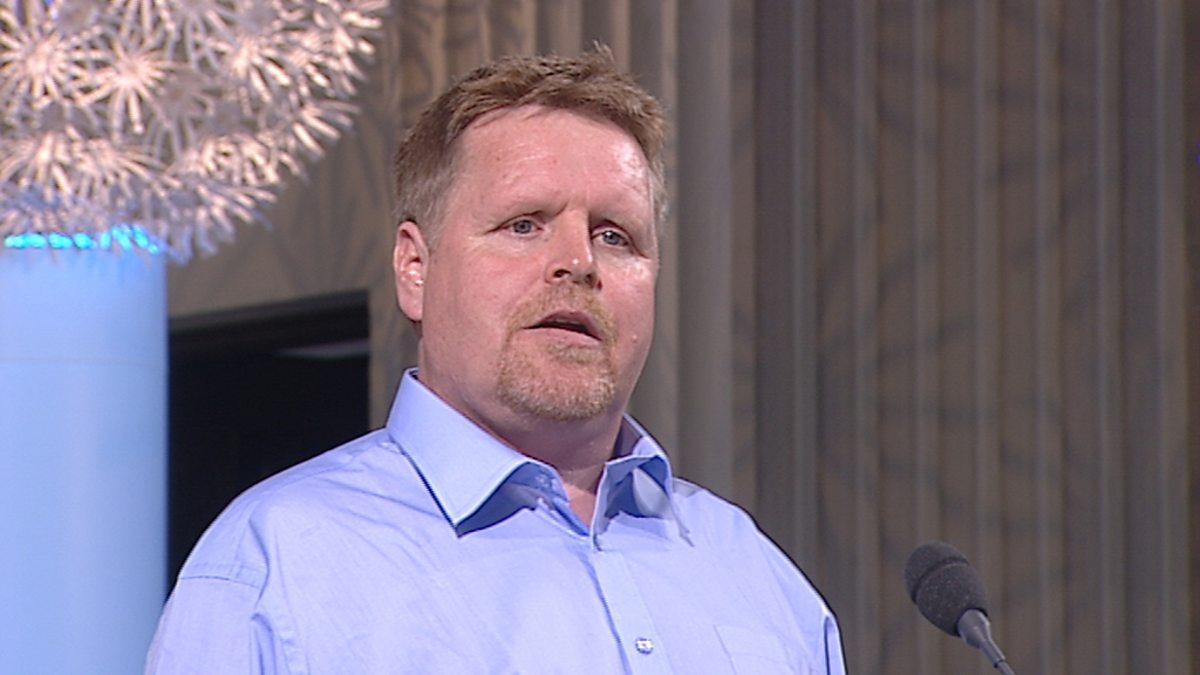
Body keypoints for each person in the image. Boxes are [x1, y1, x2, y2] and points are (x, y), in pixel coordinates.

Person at [146, 48, 846, 674]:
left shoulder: (755, 574)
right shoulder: (277, 564)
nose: (578, 262)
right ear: (415, 268)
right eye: (524, 225)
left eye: (615, 235)